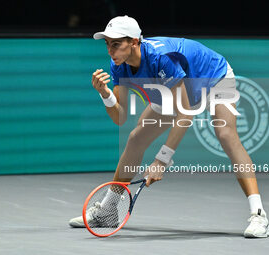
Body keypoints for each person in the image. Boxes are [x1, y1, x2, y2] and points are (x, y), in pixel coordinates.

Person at [69, 15, 268, 238]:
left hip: (212, 76)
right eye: (107, 44)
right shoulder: (118, 65)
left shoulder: (161, 58)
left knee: (225, 134)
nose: (110, 51)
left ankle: (259, 214)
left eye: (116, 44)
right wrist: (105, 94)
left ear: (134, 42)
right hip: (174, 88)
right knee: (136, 137)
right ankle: (108, 211)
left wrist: (162, 159)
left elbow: (185, 112)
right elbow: (120, 117)